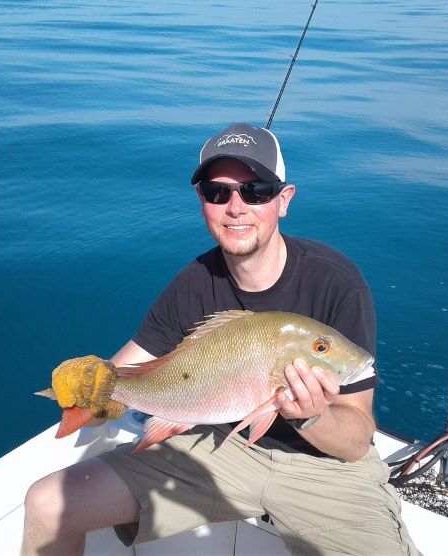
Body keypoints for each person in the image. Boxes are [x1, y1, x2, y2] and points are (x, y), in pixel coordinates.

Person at [23, 123, 419, 555]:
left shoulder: (337, 283)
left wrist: (310, 416)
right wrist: (89, 390)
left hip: (322, 468)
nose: (236, 207)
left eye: (256, 191)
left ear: (283, 201)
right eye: (217, 192)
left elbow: (357, 440)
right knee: (47, 504)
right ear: (202, 202)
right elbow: (118, 378)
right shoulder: (193, 283)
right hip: (217, 447)